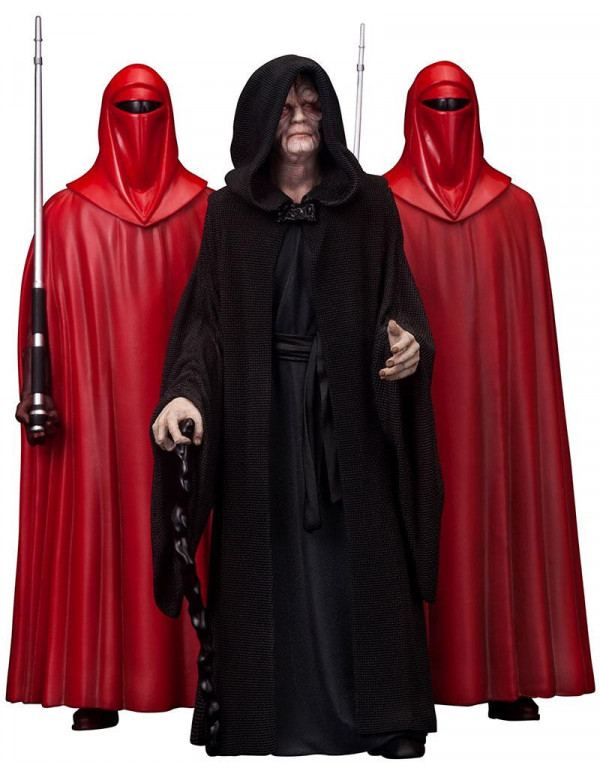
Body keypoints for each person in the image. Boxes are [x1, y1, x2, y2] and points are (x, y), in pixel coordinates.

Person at [151, 55, 443, 757]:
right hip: (261, 418)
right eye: (285, 109)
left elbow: (397, 301)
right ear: (261, 123)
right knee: (268, 560)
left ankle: (385, 719)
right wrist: (185, 393)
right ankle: (262, 719)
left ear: (329, 117)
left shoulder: (370, 204)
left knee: (363, 560)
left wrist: (408, 341)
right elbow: (205, 324)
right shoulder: (228, 215)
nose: (300, 118)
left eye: (311, 105)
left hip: (352, 415)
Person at [384, 61, 595, 720]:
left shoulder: (514, 209)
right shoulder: (380, 203)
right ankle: (404, 677)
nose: (447, 120)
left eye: (458, 106)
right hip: (410, 399)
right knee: (403, 504)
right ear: (413, 115)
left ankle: (507, 672)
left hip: (495, 406)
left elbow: (532, 345)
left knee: (500, 503)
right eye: (435, 107)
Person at [8, 64, 213, 730]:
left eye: (151, 109)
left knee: (192, 516)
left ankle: (201, 676)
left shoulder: (208, 211)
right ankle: (96, 681)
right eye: (130, 109)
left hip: (184, 403)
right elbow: (36, 328)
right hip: (92, 420)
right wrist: (34, 394)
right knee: (96, 525)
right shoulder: (64, 217)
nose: (140, 123)